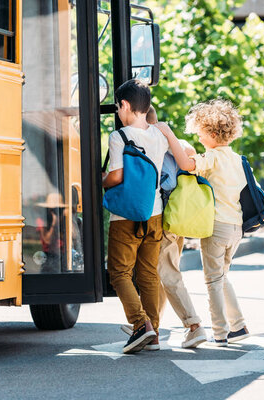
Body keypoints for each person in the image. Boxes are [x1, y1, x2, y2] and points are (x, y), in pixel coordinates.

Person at [155, 99, 250, 347]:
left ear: (210, 133)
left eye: (199, 134)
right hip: (236, 227)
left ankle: (220, 332)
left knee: (212, 281)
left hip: (216, 226)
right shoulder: (237, 159)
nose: (198, 139)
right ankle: (238, 325)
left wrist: (168, 134)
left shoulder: (213, 157)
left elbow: (188, 165)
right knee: (222, 276)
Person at [102, 80, 170, 353]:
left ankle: (140, 324)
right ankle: (152, 334)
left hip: (125, 216)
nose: (118, 112)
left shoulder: (120, 136)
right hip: (154, 213)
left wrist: (101, 180)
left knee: (119, 272)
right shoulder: (159, 135)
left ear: (126, 105)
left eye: (118, 106)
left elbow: (117, 175)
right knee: (149, 274)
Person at [147, 106, 208, 348]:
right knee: (160, 274)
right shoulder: (176, 143)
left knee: (167, 273)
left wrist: (164, 137)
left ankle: (193, 325)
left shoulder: (152, 142)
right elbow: (190, 151)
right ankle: (153, 329)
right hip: (177, 218)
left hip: (163, 218)